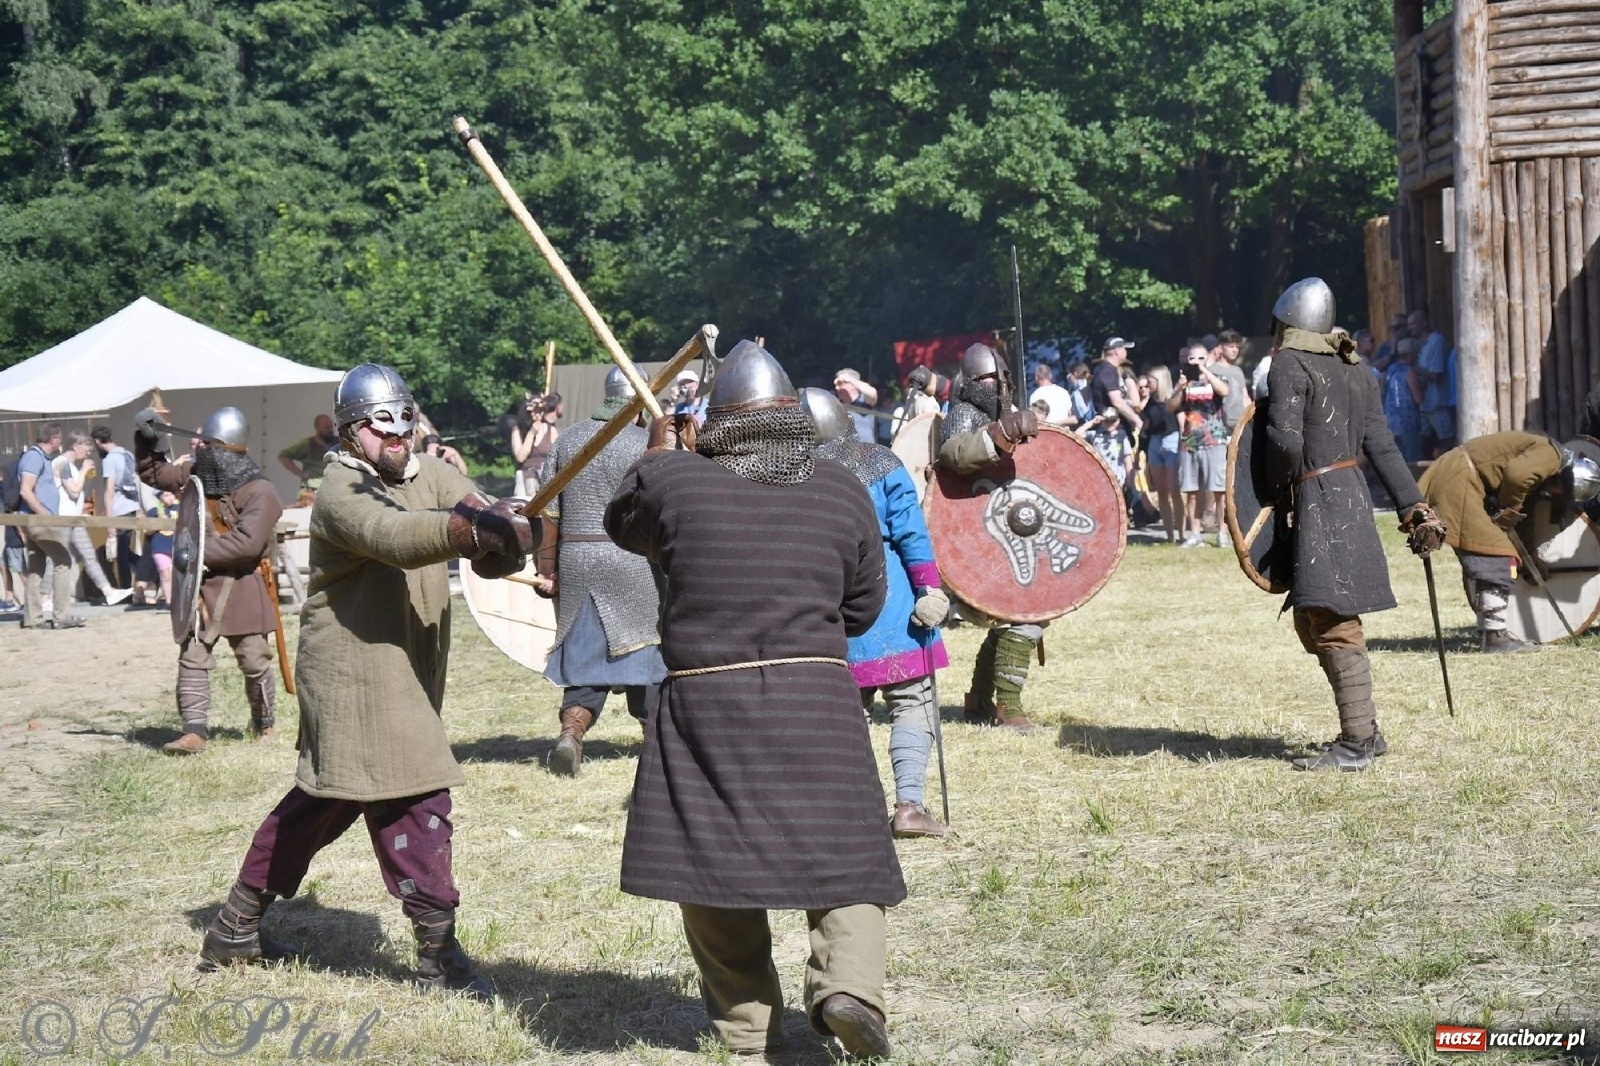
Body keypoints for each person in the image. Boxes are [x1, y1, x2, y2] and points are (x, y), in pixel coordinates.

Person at [198, 363, 537, 997]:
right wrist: (472, 532)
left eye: (405, 423)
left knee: (325, 801)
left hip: (403, 667)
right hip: (353, 674)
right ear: (354, 434)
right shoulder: (340, 490)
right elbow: (397, 535)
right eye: (382, 428)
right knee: (417, 797)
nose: (397, 437)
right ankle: (438, 954)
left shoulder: (426, 470)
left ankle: (235, 924)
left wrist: (508, 527)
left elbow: (472, 508)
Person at [604, 340, 902, 1059]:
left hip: (710, 704)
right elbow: (861, 609)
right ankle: (847, 988)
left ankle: (751, 1030)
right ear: (794, 418)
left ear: (717, 422)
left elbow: (621, 523)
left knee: (710, 864)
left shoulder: (673, 481)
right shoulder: (842, 488)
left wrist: (655, 452)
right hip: (817, 698)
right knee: (846, 850)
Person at [1258, 277, 1445, 772]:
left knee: (1334, 621)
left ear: (1287, 321)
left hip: (1318, 499)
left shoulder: (1289, 364)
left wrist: (1274, 488)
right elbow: (1381, 445)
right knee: (1311, 617)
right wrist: (1413, 505)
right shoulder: (1356, 369)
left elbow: (1284, 443)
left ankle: (1358, 740)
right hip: (1349, 495)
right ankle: (1363, 730)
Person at [801, 386, 950, 839]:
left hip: (824, 607)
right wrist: (929, 589)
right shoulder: (879, 462)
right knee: (912, 702)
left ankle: (850, 813)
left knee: (843, 715)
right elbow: (910, 532)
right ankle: (909, 806)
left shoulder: (791, 471)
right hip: (891, 605)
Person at [531, 366, 666, 777]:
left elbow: (547, 512)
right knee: (646, 654)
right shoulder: (646, 445)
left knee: (585, 654)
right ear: (639, 404)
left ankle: (571, 733)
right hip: (633, 561)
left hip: (577, 562)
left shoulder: (568, 439)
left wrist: (548, 569)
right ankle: (658, 741)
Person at [135, 406, 285, 754]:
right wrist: (148, 437)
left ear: (225, 445)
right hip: (200, 589)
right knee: (192, 656)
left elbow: (246, 544)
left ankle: (264, 723)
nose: (198, 445)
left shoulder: (261, 492)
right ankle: (194, 731)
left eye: (205, 440)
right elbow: (155, 473)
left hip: (242, 585)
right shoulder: (197, 474)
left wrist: (196, 552)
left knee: (253, 659)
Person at [935, 342, 1045, 730]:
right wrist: (999, 434)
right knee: (1023, 620)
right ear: (969, 382)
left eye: (1002, 378)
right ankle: (1009, 709)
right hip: (977, 537)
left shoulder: (1009, 413)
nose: (998, 385)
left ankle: (978, 700)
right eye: (988, 378)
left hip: (1016, 531)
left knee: (1013, 617)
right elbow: (952, 455)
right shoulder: (962, 412)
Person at [1419, 434, 1600, 652]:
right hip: (1460, 481)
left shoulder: (1542, 473)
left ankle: (1492, 635)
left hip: (1463, 478)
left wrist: (1530, 555)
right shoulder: (1551, 455)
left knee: (1498, 551)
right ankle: (1495, 639)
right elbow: (1517, 477)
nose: (1557, 495)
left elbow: (1525, 516)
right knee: (1496, 554)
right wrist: (1509, 508)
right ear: (1565, 478)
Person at [53, 431, 133, 608]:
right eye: (87, 449)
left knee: (89, 556)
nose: (88, 453)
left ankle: (108, 592)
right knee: (57, 559)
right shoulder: (62, 463)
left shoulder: (71, 466)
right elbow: (73, 490)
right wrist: (83, 471)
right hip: (63, 520)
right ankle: (44, 598)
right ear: (75, 445)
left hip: (74, 520)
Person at [16, 423, 79, 630]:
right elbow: (26, 490)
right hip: (40, 520)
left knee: (36, 568)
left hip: (35, 520)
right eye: (59, 438)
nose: (60, 442)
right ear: (53, 439)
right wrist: (45, 515)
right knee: (63, 561)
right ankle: (61, 615)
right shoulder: (34, 457)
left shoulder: (40, 458)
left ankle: (33, 618)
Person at [1168, 342, 1231, 548]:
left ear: (1208, 358)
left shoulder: (1215, 377)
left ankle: (1222, 533)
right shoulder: (1183, 382)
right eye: (1192, 359)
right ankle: (1195, 534)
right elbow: (1170, 406)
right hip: (1190, 441)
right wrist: (1181, 387)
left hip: (1214, 440)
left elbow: (1224, 391)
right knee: (1191, 490)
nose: (1196, 362)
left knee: (1219, 489)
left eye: (1201, 358)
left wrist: (1205, 372)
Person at [92, 425, 142, 586]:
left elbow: (109, 491)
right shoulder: (128, 454)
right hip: (133, 507)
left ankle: (127, 588)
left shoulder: (109, 460)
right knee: (125, 551)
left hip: (120, 510)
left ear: (98, 441)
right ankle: (149, 572)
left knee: (122, 554)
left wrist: (109, 520)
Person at [1140, 366, 1182, 543]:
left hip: (1172, 440)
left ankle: (1180, 533)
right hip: (1155, 443)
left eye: (1150, 380)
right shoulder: (1150, 402)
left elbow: (1180, 424)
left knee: (1174, 489)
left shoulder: (1173, 400)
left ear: (1160, 380)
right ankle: (1169, 535)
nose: (1147, 383)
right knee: (1162, 492)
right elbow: (1145, 426)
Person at [1410, 309, 1454, 458]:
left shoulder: (1435, 341)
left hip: (1438, 403)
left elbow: (1436, 374)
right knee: (1425, 443)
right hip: (1426, 405)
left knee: (1446, 440)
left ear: (1424, 322)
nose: (1411, 327)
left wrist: (1413, 369)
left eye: (1414, 323)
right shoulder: (1422, 345)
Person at [278, 414, 339, 506]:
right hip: (312, 492)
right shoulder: (307, 444)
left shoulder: (338, 442)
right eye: (326, 428)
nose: (330, 430)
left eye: (331, 427)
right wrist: (300, 473)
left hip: (335, 491)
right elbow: (283, 456)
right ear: (317, 428)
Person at [1383, 338, 1426, 463]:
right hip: (1408, 422)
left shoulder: (1391, 369)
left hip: (1391, 422)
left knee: (1398, 460)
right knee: (1413, 458)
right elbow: (1418, 399)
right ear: (1412, 354)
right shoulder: (1409, 371)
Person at [511, 393, 562, 498]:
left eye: (541, 410)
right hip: (525, 480)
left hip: (545, 480)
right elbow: (520, 457)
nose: (537, 414)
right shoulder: (518, 430)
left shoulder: (550, 430)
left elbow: (559, 456)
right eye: (534, 411)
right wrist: (532, 432)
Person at [833, 367, 880, 443]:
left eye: (841, 384)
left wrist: (849, 379)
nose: (837, 388)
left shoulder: (865, 401)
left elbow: (872, 393)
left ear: (852, 385)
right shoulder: (836, 405)